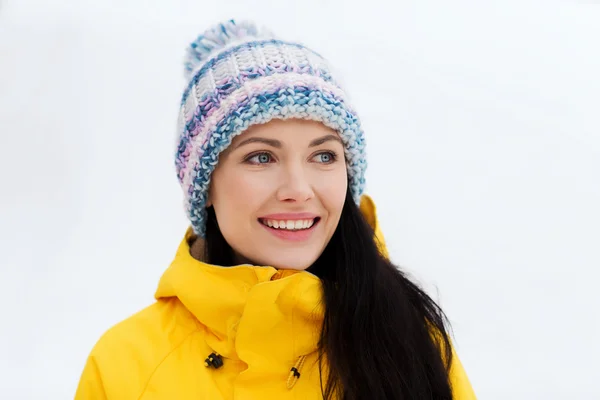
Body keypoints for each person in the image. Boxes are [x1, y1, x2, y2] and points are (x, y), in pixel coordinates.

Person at [75, 19, 477, 399]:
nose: (298, 191)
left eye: (323, 156)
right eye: (261, 157)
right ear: (205, 186)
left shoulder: (411, 338)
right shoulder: (126, 365)